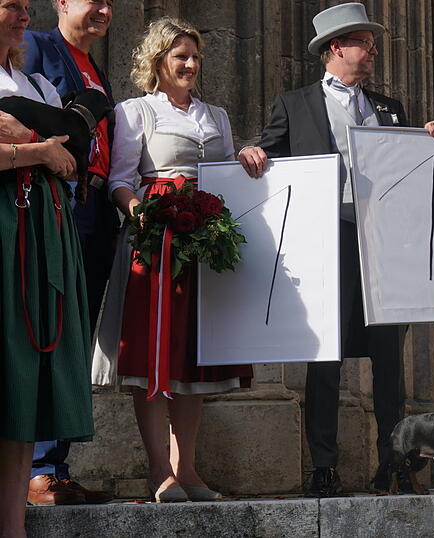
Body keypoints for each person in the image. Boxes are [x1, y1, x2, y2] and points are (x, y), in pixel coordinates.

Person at [237, 3, 434, 497]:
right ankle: (325, 467)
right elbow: (268, 157)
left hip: (381, 246)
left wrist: (431, 138)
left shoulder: (390, 107)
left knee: (388, 362)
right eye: (365, 43)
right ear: (337, 48)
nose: (373, 51)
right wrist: (252, 152)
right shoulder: (296, 103)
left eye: (373, 44)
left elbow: (410, 169)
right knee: (325, 357)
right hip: (325, 240)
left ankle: (392, 463)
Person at [92, 17, 253, 503]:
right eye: (180, 55)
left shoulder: (216, 116)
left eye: (195, 56)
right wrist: (140, 211)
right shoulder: (136, 111)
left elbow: (226, 173)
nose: (190, 64)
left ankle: (189, 471)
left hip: (203, 237)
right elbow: (121, 179)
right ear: (158, 60)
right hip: (155, 239)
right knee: (153, 353)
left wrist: (247, 155)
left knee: (190, 356)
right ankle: (159, 471)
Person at [0, 1, 92, 535]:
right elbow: (49, 152)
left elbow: (73, 155)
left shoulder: (34, 82)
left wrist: (37, 142)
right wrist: (38, 151)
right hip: (4, 228)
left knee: (23, 380)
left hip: (42, 229)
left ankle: (13, 526)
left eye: (25, 7)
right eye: (12, 5)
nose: (23, 15)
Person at [21, 0, 115, 506]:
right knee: (47, 327)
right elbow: (17, 115)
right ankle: (36, 468)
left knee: (75, 334)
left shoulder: (96, 68)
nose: (103, 9)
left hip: (96, 208)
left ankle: (56, 465)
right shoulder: (36, 46)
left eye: (109, 3)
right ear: (60, 3)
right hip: (51, 206)